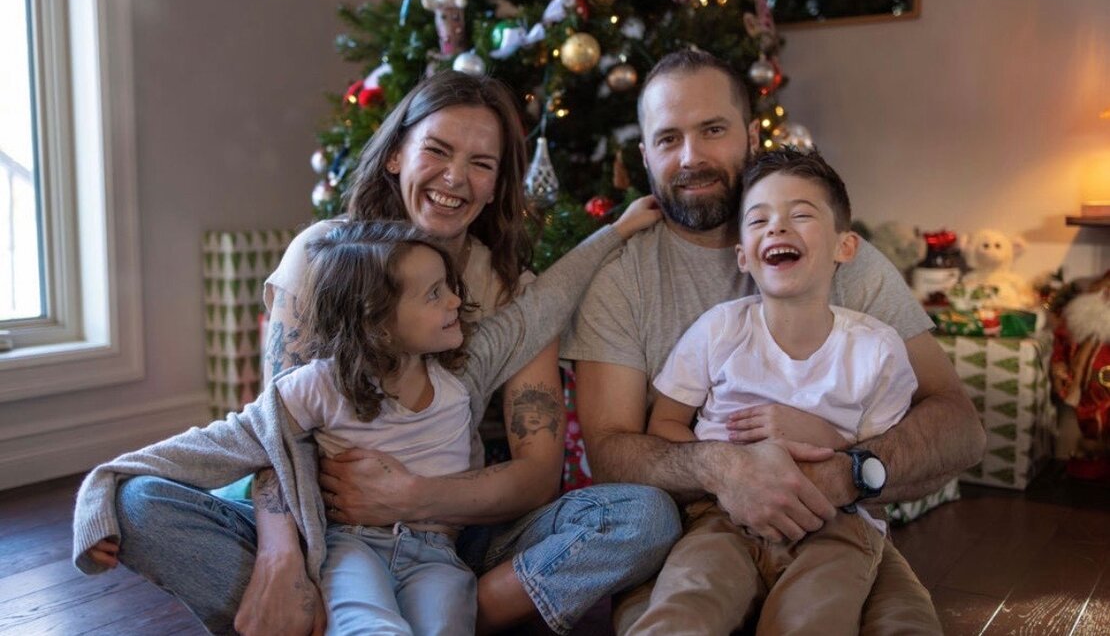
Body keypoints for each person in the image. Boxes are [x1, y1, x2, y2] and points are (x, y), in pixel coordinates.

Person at [108, 71, 681, 636]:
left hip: (456, 533)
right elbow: (277, 437)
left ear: (496, 183)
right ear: (394, 156)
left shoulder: (511, 288)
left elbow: (536, 476)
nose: (455, 178)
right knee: (139, 506)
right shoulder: (322, 257)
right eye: (437, 150)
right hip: (325, 532)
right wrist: (280, 559)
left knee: (644, 516)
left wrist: (414, 496)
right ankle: (314, 606)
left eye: (482, 164)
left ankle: (430, 613)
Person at [74, 208, 660, 635]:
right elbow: (222, 444)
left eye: (450, 288)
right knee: (368, 623)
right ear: (379, 322)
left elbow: (544, 304)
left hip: (439, 551)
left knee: (444, 620)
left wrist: (620, 229)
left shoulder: (463, 368)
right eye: (435, 295)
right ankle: (303, 611)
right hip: (347, 548)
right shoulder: (319, 387)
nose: (455, 301)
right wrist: (102, 487)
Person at [562, 50, 985, 634]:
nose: (690, 157)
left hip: (836, 523)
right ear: (644, 156)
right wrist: (726, 469)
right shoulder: (624, 277)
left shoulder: (834, 256)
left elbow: (960, 427)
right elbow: (609, 450)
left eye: (712, 130)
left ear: (751, 135)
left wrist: (843, 474)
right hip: (699, 535)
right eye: (667, 139)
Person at [635, 148, 919, 634]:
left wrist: (825, 436)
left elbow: (882, 469)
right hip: (720, 518)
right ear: (744, 255)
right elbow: (664, 424)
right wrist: (731, 469)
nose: (777, 228)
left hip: (835, 524)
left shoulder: (878, 351)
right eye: (759, 219)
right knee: (685, 605)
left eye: (801, 215)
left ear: (844, 247)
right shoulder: (719, 330)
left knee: (814, 620)